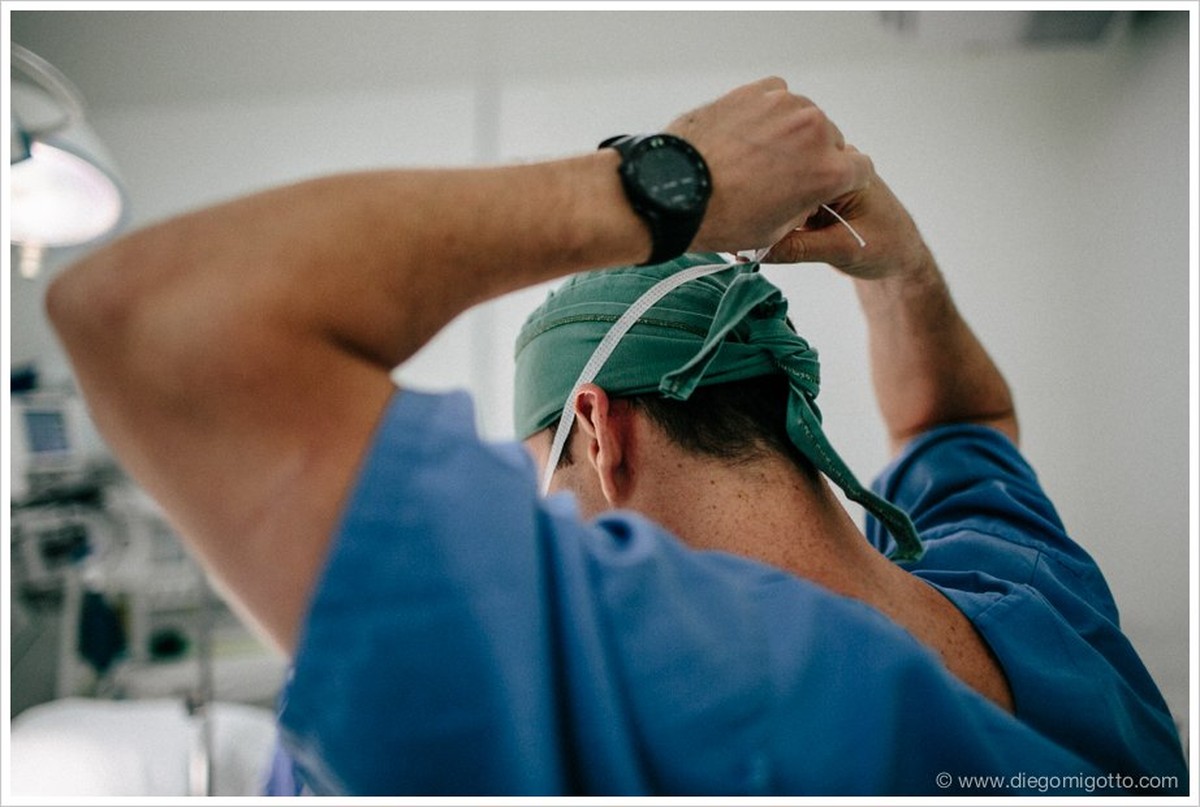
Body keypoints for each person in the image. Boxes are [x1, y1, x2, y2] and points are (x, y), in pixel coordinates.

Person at [46, 77, 1186, 795]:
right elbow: (961, 420)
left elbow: (150, 325)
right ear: (779, 402)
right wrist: (901, 266)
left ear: (595, 429)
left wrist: (664, 183)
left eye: (535, 475)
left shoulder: (651, 686)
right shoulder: (1030, 592)